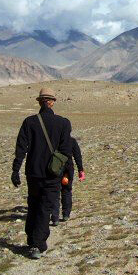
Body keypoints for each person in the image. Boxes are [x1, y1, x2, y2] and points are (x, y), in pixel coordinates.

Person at [11, 87, 72, 259]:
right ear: (52, 102)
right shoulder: (63, 123)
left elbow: (20, 148)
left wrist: (15, 170)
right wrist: (66, 173)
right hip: (53, 173)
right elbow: (66, 151)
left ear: (39, 102)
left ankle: (32, 240)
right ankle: (37, 244)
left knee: (34, 205)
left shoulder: (29, 122)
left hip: (33, 172)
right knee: (45, 207)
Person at [51, 137, 85, 225]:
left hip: (55, 168)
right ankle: (66, 214)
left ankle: (55, 218)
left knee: (55, 192)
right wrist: (80, 169)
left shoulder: (54, 139)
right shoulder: (71, 141)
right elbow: (77, 155)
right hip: (68, 168)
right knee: (66, 190)